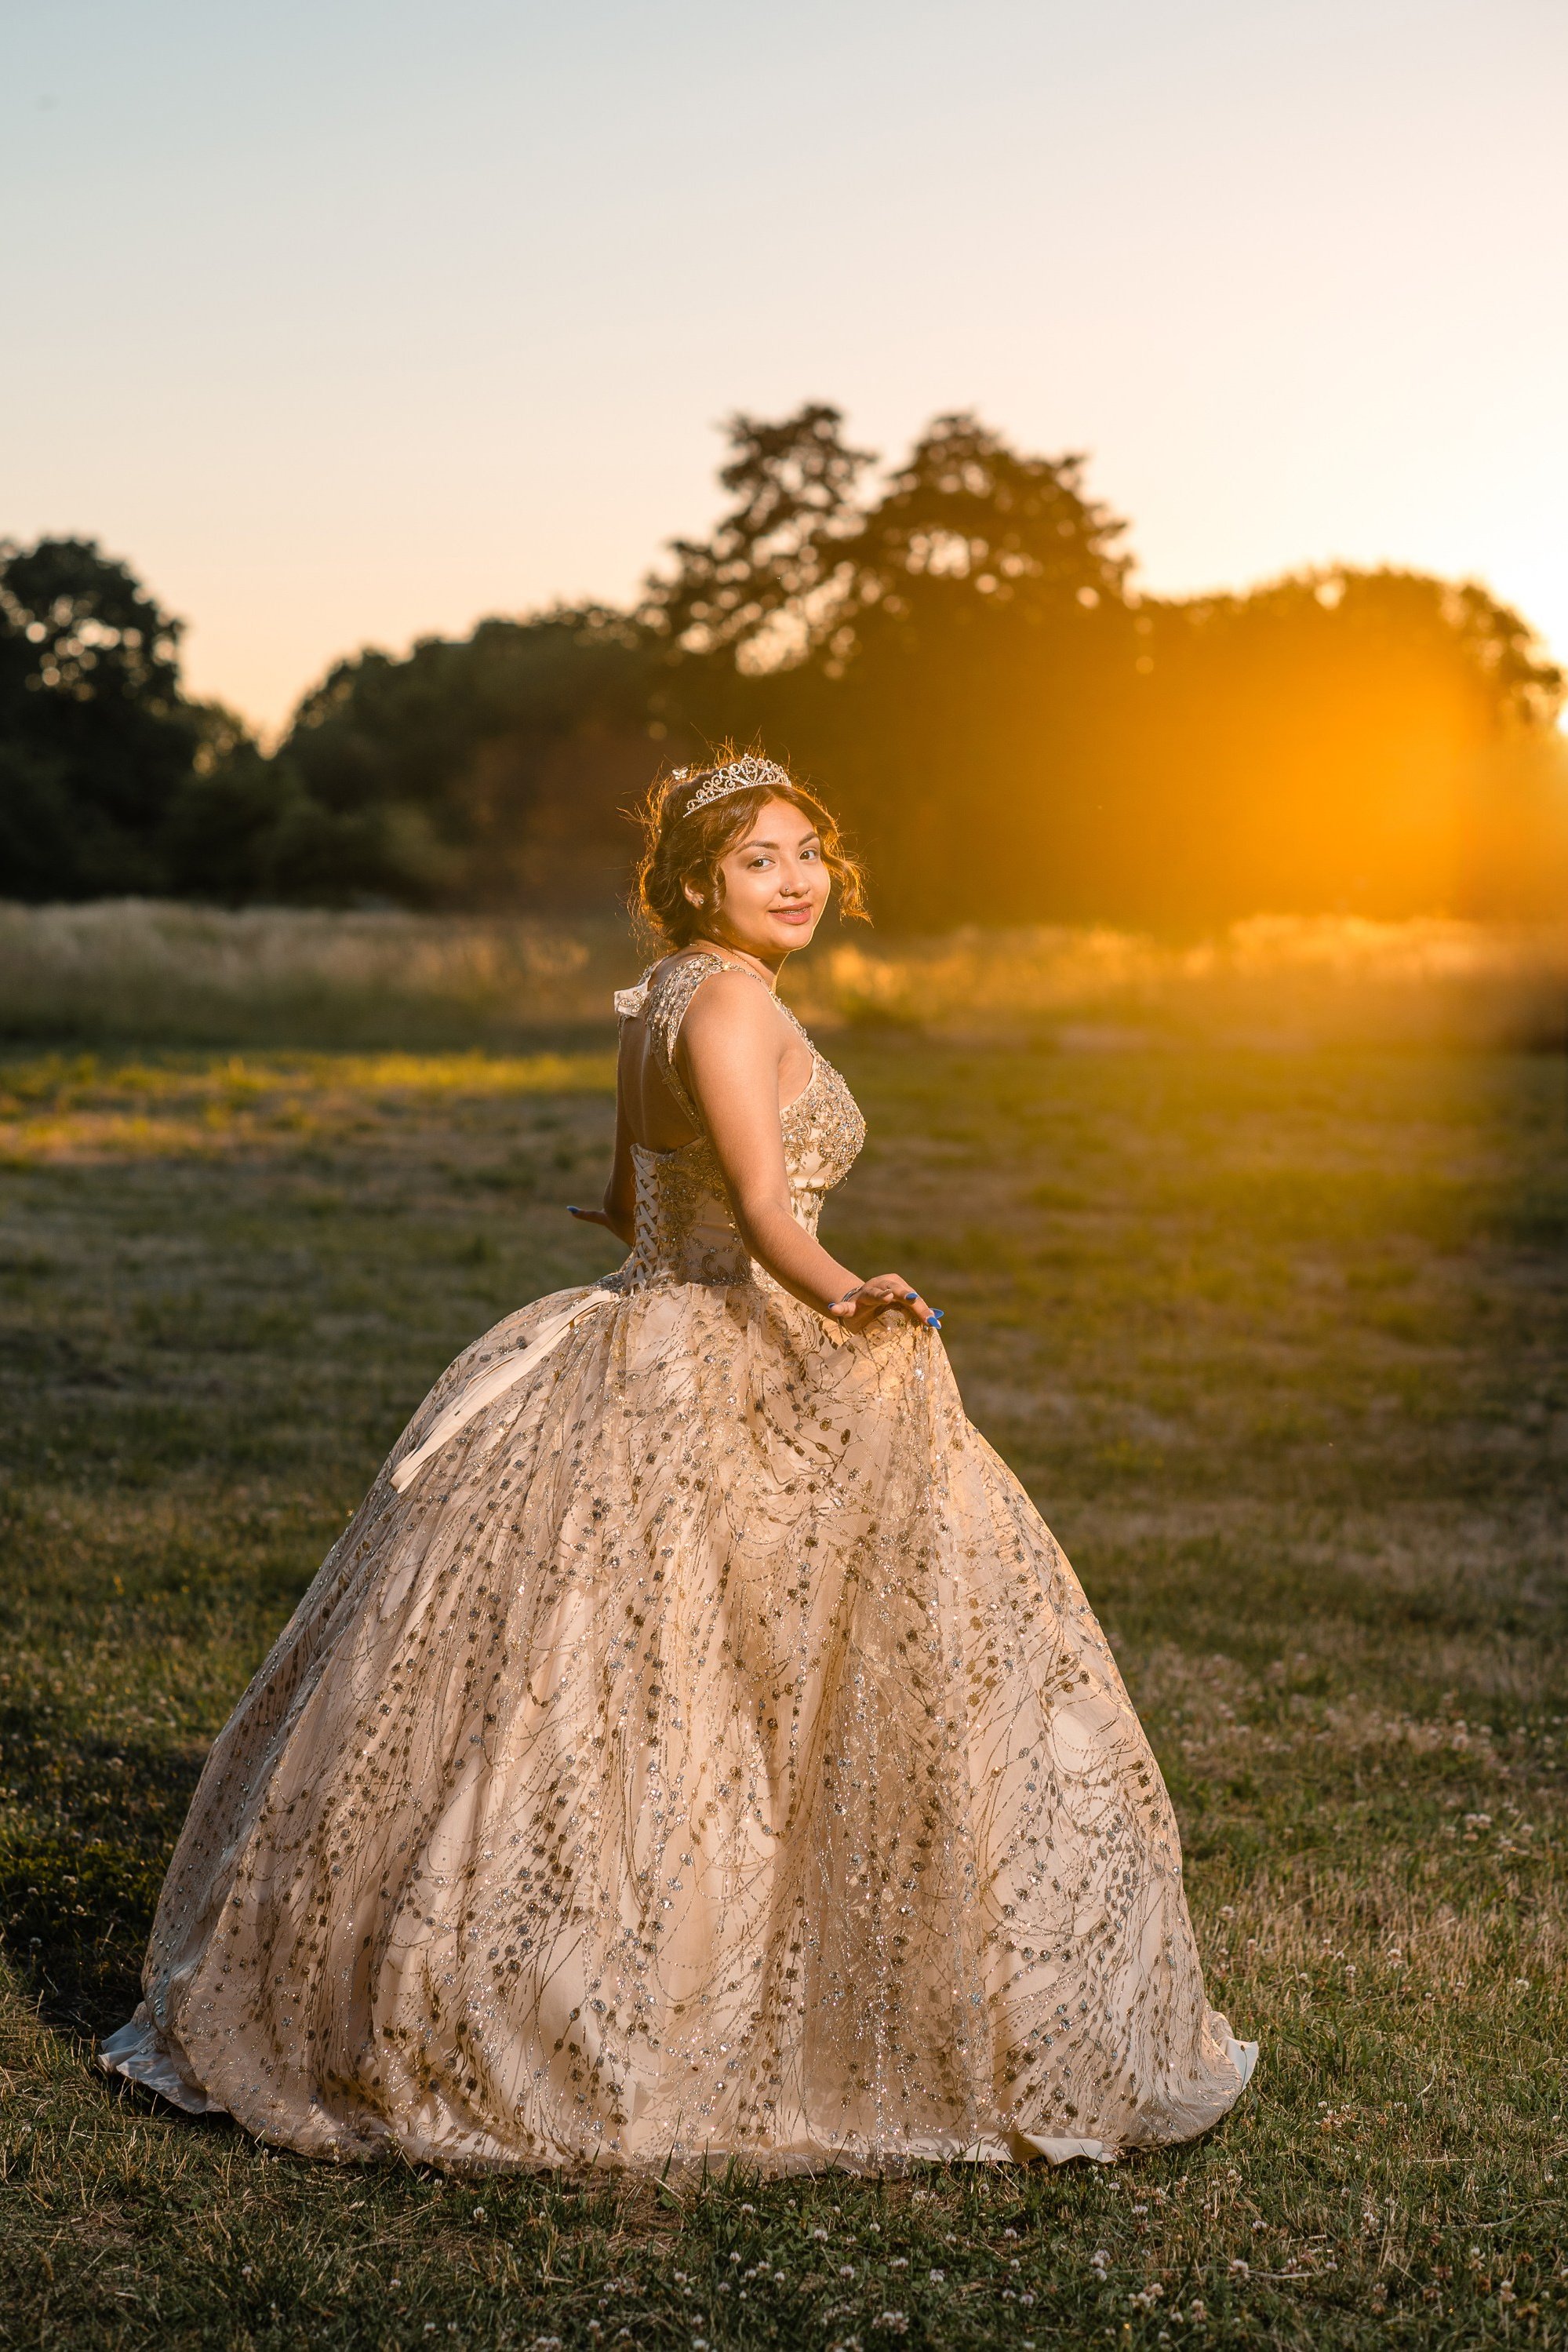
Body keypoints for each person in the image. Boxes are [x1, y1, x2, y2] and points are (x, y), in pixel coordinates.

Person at [102, 751, 1255, 2171]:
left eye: (810, 851)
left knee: (635, 1662)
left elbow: (618, 1188)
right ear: (700, 881)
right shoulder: (727, 997)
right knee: (708, 1671)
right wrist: (849, 1294)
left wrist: (677, 1240)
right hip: (712, 1341)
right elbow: (766, 1204)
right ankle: (615, 1991)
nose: (799, 879)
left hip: (644, 1322)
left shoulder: (657, 998)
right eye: (762, 858)